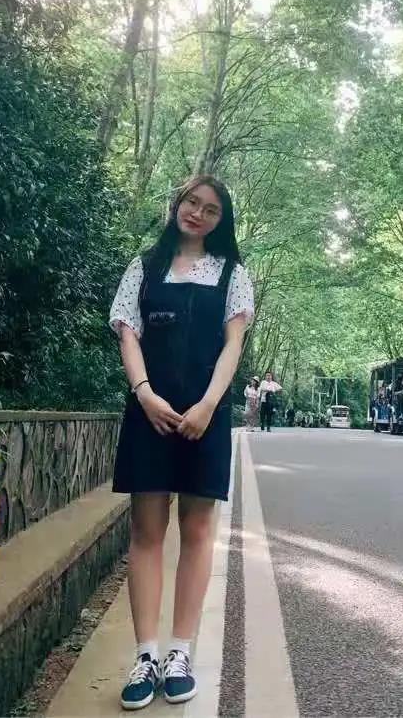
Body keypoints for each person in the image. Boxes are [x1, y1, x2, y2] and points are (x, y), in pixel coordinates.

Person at [109, 175, 254, 710]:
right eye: (192, 202)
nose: (198, 213)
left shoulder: (233, 274)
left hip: (205, 416)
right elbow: (129, 333)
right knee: (146, 533)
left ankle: (179, 654)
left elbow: (233, 344)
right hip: (148, 413)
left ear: (221, 220)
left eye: (211, 209)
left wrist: (209, 405)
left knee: (196, 532)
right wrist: (144, 394)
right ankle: (145, 656)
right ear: (177, 205)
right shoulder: (143, 267)